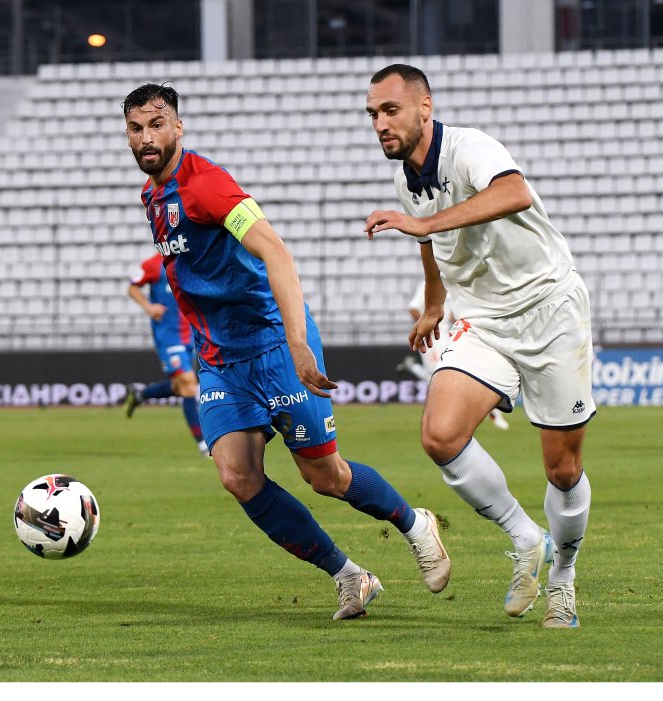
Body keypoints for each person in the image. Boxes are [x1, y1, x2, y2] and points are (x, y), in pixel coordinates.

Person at [123, 82, 451, 620]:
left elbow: (276, 252)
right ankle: (350, 576)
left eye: (157, 125)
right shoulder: (152, 197)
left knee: (326, 478)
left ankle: (416, 525)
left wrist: (298, 344)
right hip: (220, 360)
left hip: (274, 344)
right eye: (136, 129)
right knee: (237, 476)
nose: (146, 138)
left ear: (178, 127)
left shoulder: (207, 185)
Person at [364, 64, 594, 628]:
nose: (380, 123)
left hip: (549, 309)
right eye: (372, 114)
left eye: (390, 110)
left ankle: (563, 577)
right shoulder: (406, 181)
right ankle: (526, 537)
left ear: (425, 108)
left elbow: (513, 192)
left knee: (563, 470)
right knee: (440, 435)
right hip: (484, 319)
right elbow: (430, 242)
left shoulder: (470, 148)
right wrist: (433, 304)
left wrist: (425, 225)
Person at [123, 251, 209, 457]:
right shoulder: (153, 264)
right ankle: (203, 444)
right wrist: (148, 306)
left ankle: (142, 394)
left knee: (180, 386)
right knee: (188, 384)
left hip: (190, 334)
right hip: (168, 336)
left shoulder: (191, 259)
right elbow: (132, 287)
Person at [399, 280, 509, 431]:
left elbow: (452, 314)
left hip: (448, 335)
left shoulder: (453, 282)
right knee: (437, 375)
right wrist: (427, 321)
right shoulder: (427, 284)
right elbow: (413, 309)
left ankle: (487, 410)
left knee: (450, 373)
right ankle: (483, 411)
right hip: (432, 338)